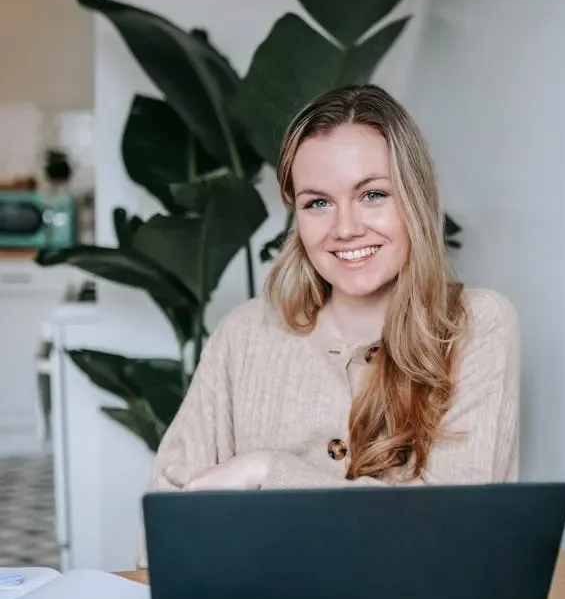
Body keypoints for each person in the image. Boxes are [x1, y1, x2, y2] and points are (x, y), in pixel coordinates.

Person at [137, 84, 519, 566]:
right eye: (318, 202)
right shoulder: (244, 333)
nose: (345, 228)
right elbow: (163, 533)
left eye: (373, 195)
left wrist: (266, 470)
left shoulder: (476, 326)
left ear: (416, 200)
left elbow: (450, 533)